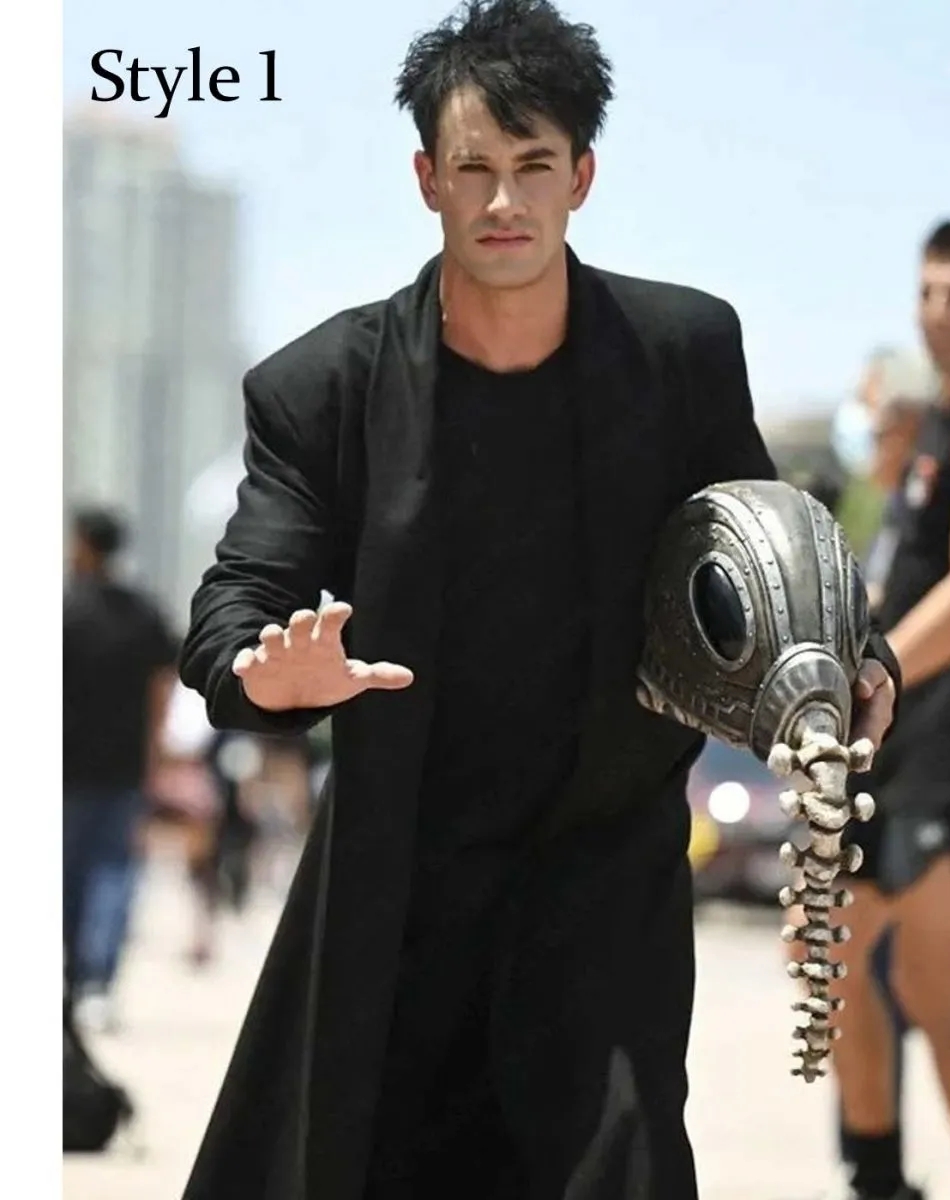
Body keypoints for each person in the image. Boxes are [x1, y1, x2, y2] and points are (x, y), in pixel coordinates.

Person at [177, 4, 900, 1198]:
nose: (503, 201)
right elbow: (240, 592)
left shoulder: (679, 351)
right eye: (473, 169)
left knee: (620, 1167)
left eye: (533, 166)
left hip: (604, 870)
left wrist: (857, 658)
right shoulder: (323, 387)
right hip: (405, 879)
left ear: (582, 177)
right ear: (427, 180)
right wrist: (264, 669)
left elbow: (770, 545)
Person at [815, 223, 950, 1200]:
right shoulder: (932, 435)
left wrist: (874, 677)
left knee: (937, 993)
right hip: (891, 748)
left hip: (944, 749)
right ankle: (877, 1178)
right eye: (928, 292)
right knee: (830, 955)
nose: (939, 314)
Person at [63, 506, 179, 1033]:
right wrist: (155, 753)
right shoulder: (143, 611)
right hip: (125, 765)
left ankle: (71, 980)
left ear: (83, 544)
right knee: (113, 875)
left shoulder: (64, 608)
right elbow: (162, 687)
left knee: (68, 876)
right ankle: (97, 985)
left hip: (65, 767)